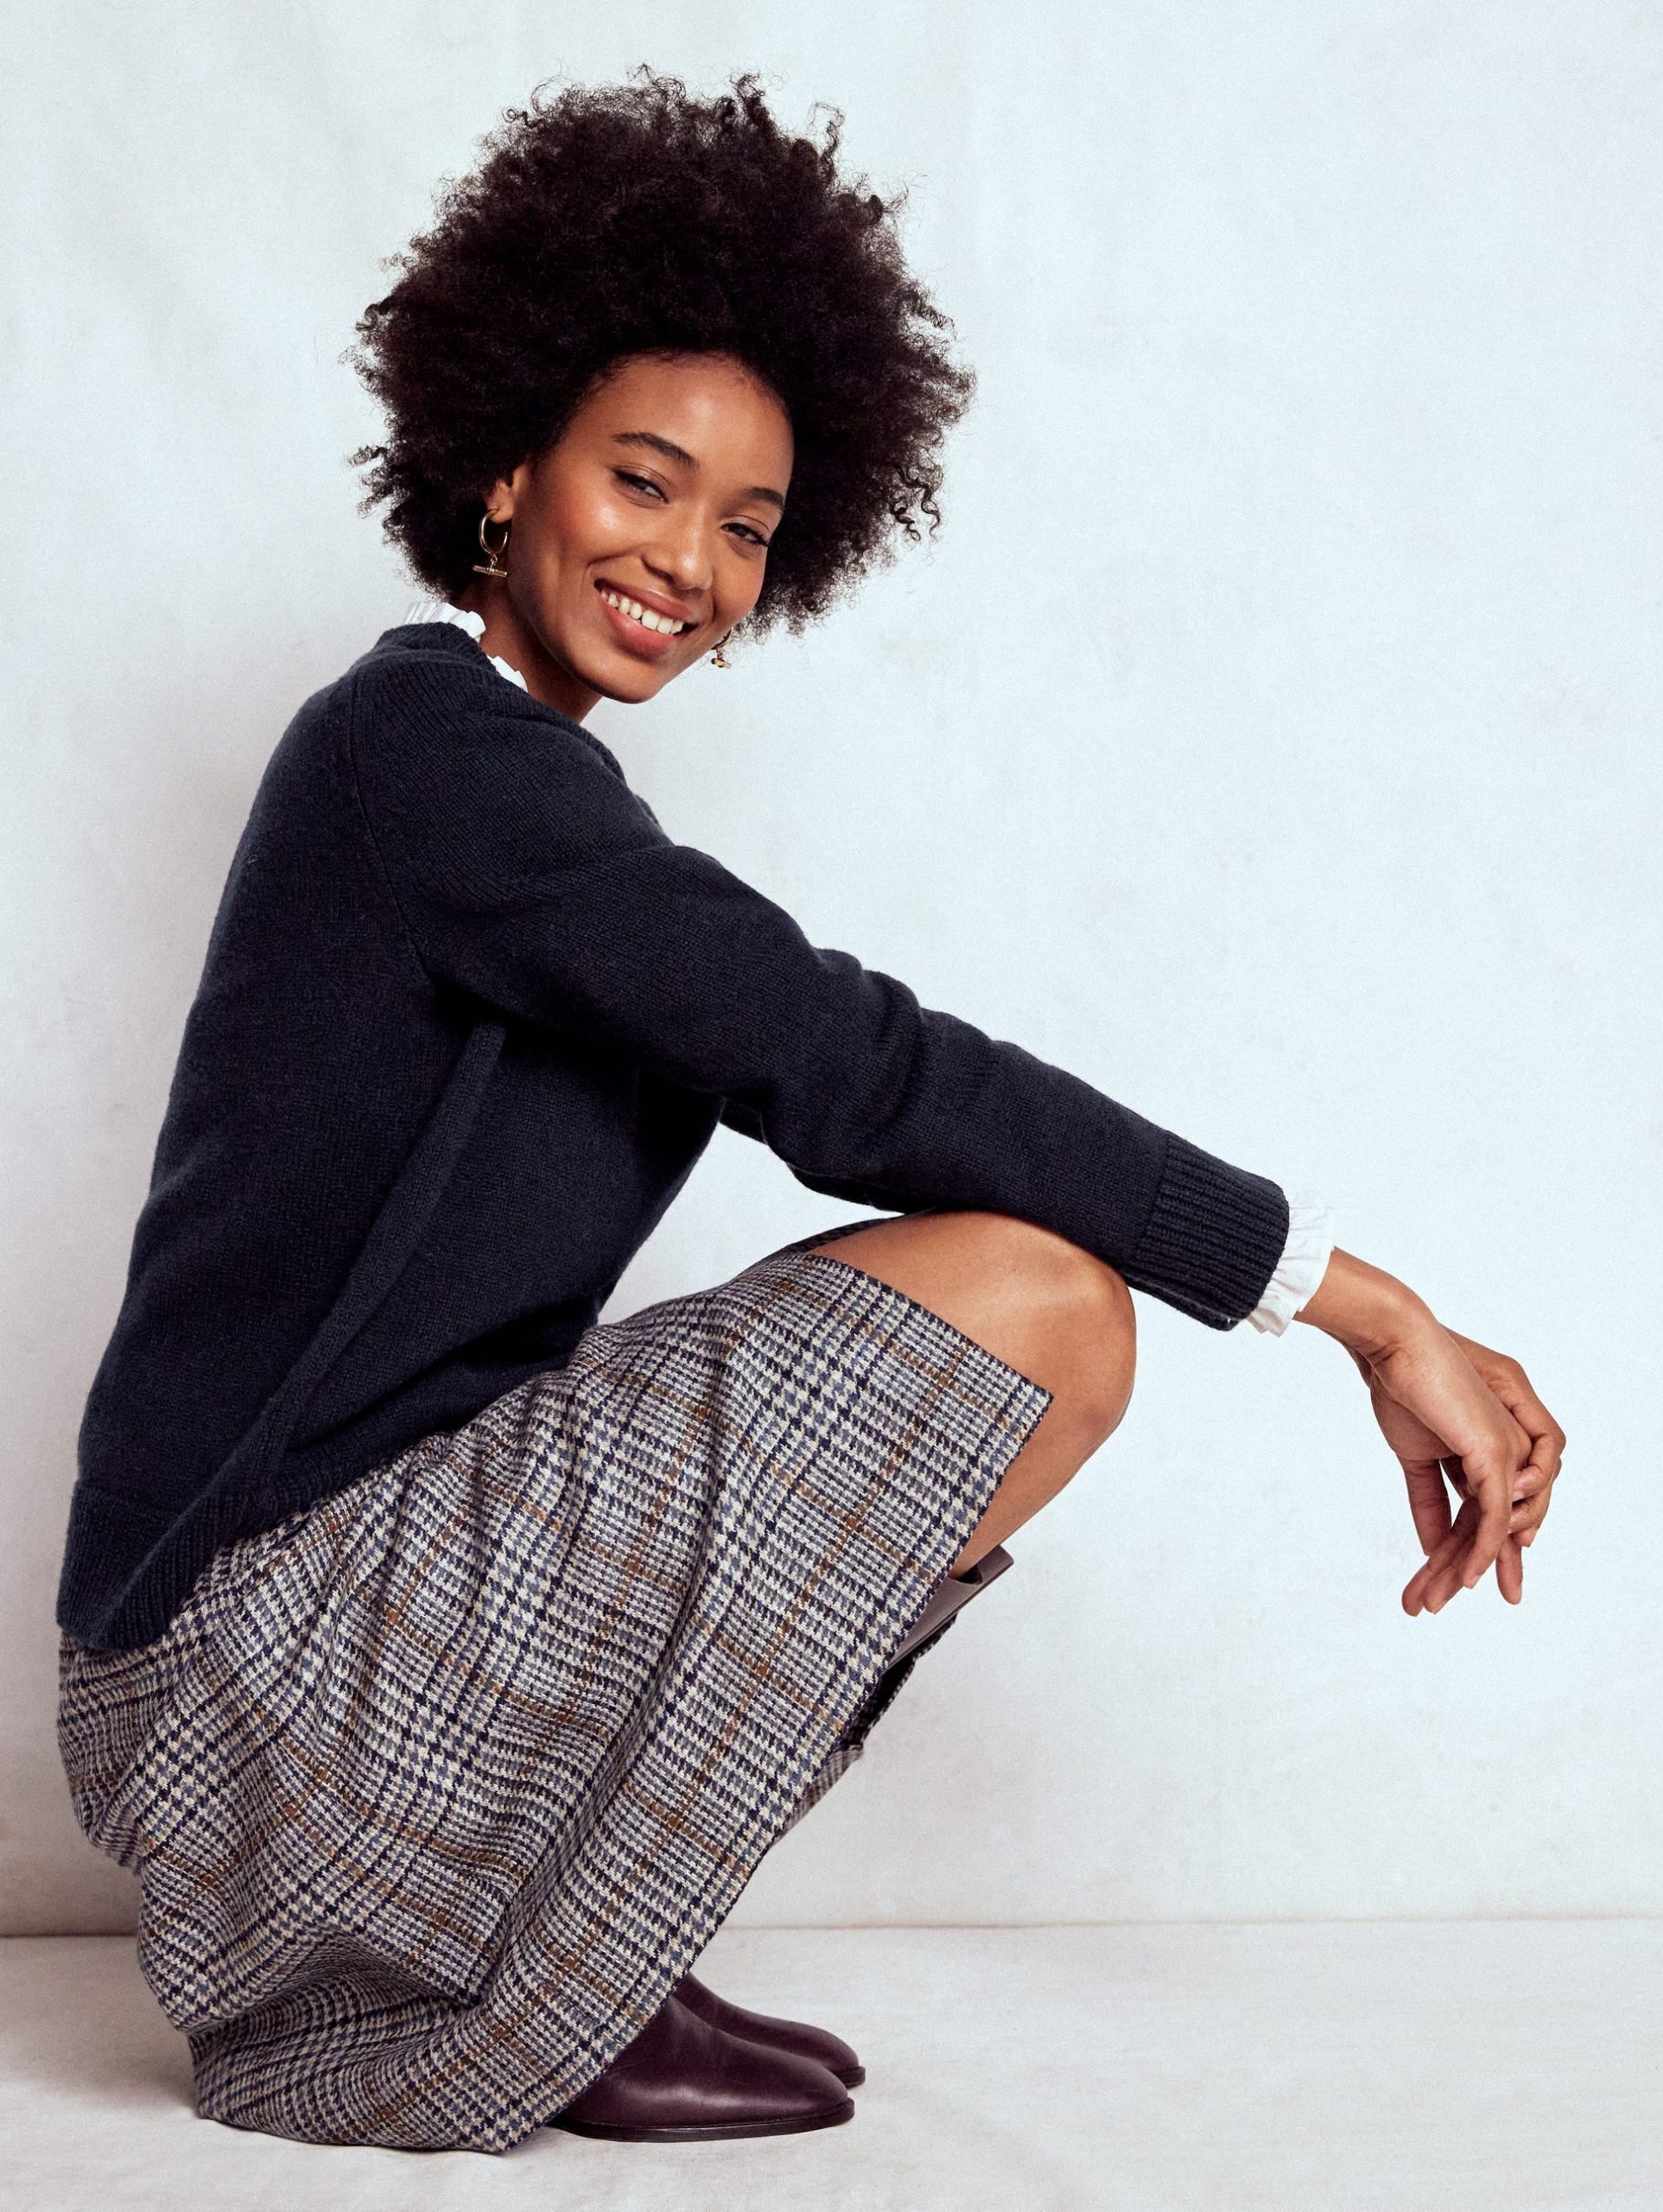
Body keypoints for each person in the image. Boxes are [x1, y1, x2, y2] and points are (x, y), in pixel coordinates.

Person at [54, 72, 1565, 2156]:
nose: (687, 561)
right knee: (1037, 1304)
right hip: (246, 1687)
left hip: (321, 1636)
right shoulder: (427, 753)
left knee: (1019, 1310)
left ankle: (575, 1941)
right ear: (505, 464)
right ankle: (541, 1978)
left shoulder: (518, 789)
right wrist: (1362, 1304)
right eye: (643, 480)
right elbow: (853, 1067)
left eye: (747, 527)